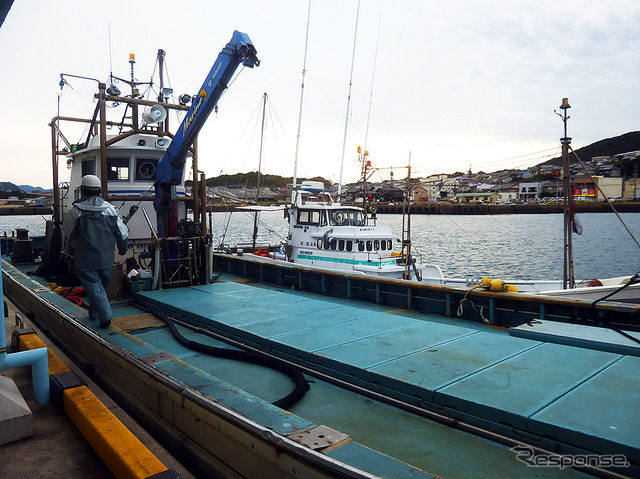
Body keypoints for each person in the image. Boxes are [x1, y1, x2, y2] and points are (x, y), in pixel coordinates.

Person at [63, 175, 128, 328]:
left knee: (94, 288)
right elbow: (122, 233)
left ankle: (105, 316)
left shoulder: (76, 211)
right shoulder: (111, 210)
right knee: (100, 288)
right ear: (99, 190)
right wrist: (123, 249)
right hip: (106, 259)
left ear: (83, 191)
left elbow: (68, 233)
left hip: (86, 260)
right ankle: (94, 313)